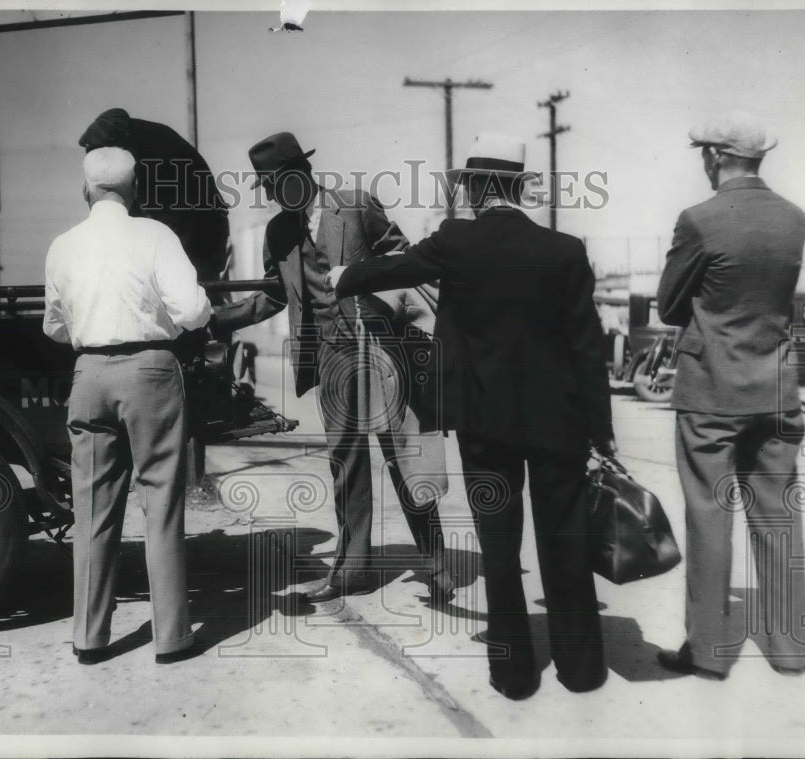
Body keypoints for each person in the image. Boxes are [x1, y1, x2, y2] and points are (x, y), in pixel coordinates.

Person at [330, 133, 614, 700]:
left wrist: (345, 277)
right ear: (518, 186)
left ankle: (513, 674)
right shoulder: (565, 249)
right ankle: (582, 670)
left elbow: (394, 269)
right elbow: (589, 351)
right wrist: (601, 433)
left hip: (485, 425)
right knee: (564, 538)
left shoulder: (456, 241)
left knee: (501, 546)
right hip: (558, 422)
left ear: (478, 187)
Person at [211, 132, 454, 603]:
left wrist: (378, 298)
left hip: (379, 350)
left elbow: (404, 262)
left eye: (280, 183)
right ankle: (350, 572)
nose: (277, 195)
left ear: (301, 174)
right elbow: (275, 295)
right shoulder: (278, 233)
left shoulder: (357, 205)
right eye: (269, 188)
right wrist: (217, 322)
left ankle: (437, 563)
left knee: (404, 456)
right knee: (346, 466)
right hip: (328, 360)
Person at [655, 112, 805, 679]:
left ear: (717, 157)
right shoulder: (794, 218)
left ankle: (710, 652)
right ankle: (788, 648)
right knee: (778, 519)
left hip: (711, 392)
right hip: (776, 389)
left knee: (709, 517)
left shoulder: (699, 219)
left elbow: (670, 305)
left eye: (704, 153)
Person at [43, 147, 211, 664]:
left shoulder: (63, 245)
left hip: (88, 374)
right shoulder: (155, 235)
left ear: (86, 188)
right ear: (134, 189)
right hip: (151, 372)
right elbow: (193, 309)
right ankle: (172, 638)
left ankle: (89, 639)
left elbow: (53, 325)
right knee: (160, 504)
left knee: (92, 510)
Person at [78, 108, 230, 287]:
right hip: (194, 229)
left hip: (199, 236)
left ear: (116, 144)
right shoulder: (141, 143)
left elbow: (170, 223)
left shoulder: (155, 156)